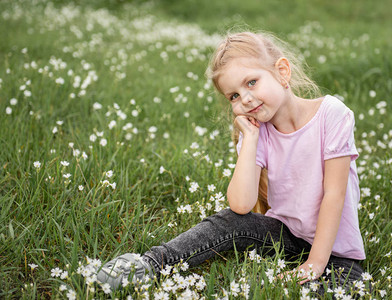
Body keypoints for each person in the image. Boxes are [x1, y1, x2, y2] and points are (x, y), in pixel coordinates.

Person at [97, 31, 366, 295]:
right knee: (229, 221)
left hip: (337, 251)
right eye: (234, 96)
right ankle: (151, 263)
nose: (245, 99)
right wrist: (249, 138)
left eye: (251, 82)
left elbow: (335, 194)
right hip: (288, 235)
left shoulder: (332, 114)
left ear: (282, 72)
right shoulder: (257, 131)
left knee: (335, 291)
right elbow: (240, 205)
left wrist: (315, 264)